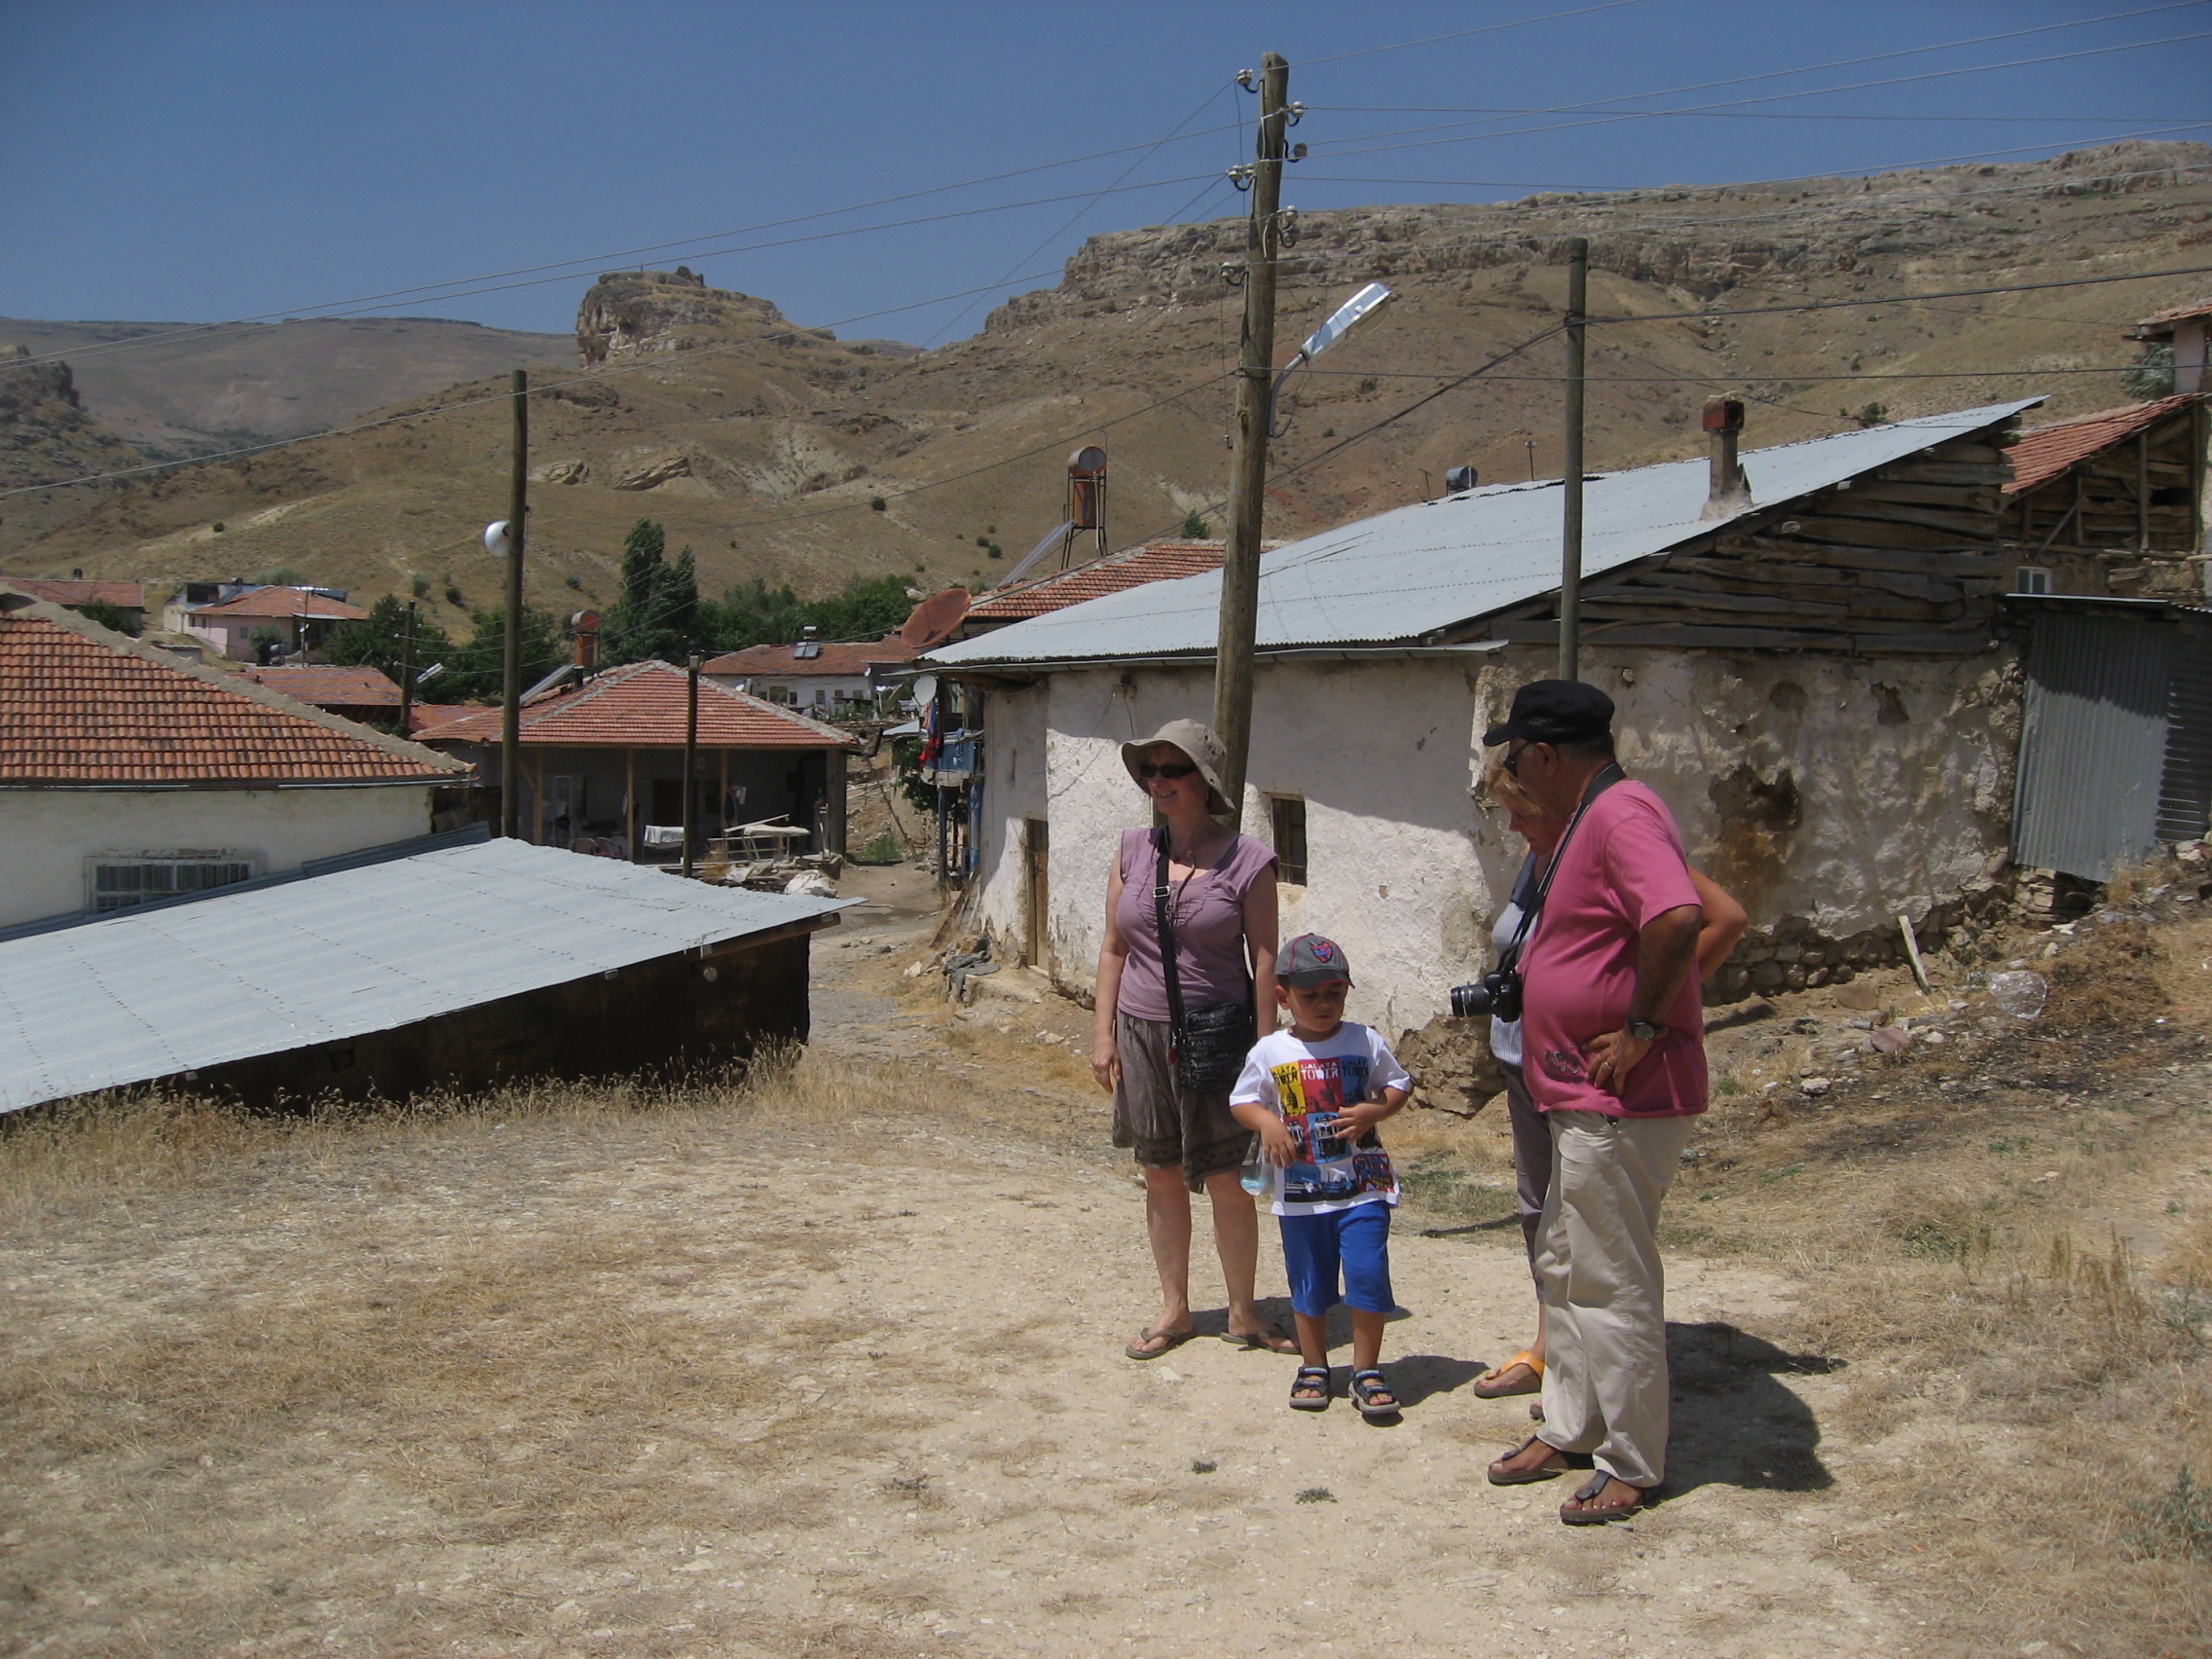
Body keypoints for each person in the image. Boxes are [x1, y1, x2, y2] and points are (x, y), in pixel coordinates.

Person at [1478, 680, 1712, 1526]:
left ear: (1544, 754)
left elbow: (1678, 918)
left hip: (1620, 1099)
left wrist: (1642, 1027)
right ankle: (1572, 1427)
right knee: (1568, 1267)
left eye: (1516, 753)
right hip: (1579, 1094)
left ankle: (1631, 1461)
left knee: (1612, 1281)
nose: (1513, 768)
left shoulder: (1622, 813)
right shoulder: (1589, 818)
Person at [1470, 758, 1748, 1407]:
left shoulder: (1606, 844)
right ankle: (1553, 1353)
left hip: (1589, 1073)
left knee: (1595, 1233)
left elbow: (1722, 918)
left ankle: (1599, 1390)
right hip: (1525, 1061)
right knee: (1542, 1215)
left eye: (1522, 811)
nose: (1513, 826)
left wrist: (1647, 1019)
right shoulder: (1538, 857)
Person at [1092, 719, 1297, 1359]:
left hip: (1219, 1035)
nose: (1158, 782)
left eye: (1172, 769)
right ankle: (1175, 1308)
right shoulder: (1132, 850)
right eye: (1150, 770)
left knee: (1229, 1178)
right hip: (1141, 1032)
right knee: (1160, 1172)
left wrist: (1265, 1052)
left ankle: (1243, 1312)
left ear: (1204, 781)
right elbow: (1113, 948)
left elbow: (1265, 958)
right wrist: (1103, 1036)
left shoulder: (1248, 861)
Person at [1230, 934, 1413, 1419]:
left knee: (1368, 1274)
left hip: (1363, 1187)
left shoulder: (1364, 1040)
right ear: (1283, 996)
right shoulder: (1271, 1050)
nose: (1325, 1004)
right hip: (1302, 1192)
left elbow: (1398, 1084)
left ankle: (1367, 1370)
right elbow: (1242, 1100)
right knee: (1308, 1281)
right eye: (1311, 996)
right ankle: (1314, 1366)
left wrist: (1376, 1110)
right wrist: (1267, 1122)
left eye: (1335, 993)